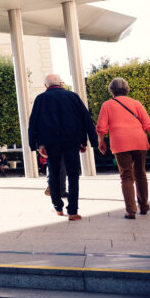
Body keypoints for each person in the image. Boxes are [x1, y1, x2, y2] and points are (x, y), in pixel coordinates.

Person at [28, 74, 97, 221]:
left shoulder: (41, 99)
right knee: (73, 175)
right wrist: (87, 141)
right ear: (60, 83)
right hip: (71, 141)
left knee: (53, 174)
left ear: (46, 86)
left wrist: (36, 144)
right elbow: (85, 119)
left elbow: (34, 122)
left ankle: (58, 207)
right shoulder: (73, 96)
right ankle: (73, 211)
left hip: (51, 143)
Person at [95, 77, 150, 219]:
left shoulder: (107, 105)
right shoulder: (136, 103)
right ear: (127, 89)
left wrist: (101, 142)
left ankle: (131, 210)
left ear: (111, 91)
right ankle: (144, 206)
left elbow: (101, 128)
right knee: (141, 174)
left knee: (126, 176)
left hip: (120, 143)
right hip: (139, 141)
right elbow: (148, 124)